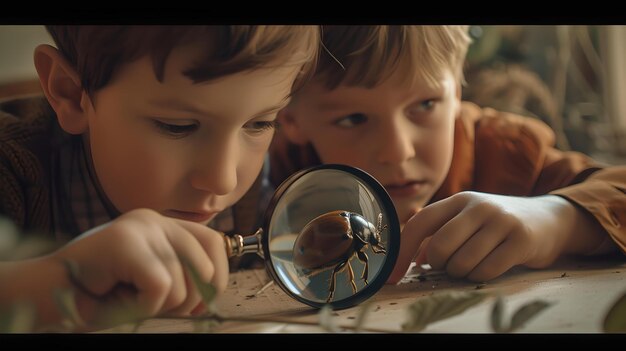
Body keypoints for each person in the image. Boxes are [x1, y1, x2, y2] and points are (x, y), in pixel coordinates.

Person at [0, 25, 319, 331]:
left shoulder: (283, 168)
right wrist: (65, 283)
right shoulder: (12, 168)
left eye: (260, 124)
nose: (223, 181)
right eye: (177, 126)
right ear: (70, 94)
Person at [269, 25, 625, 286]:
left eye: (425, 104)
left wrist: (555, 219)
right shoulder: (265, 179)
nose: (398, 151)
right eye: (352, 118)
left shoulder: (507, 153)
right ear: (289, 121)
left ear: (456, 94)